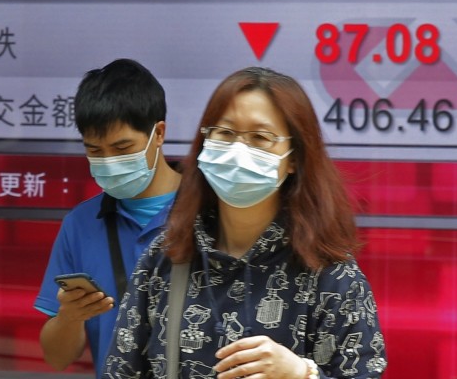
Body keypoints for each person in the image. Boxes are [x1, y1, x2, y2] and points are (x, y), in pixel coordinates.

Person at [102, 67, 387, 379]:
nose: (239, 150)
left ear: (293, 158)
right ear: (204, 143)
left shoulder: (331, 274)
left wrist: (302, 374)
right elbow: (122, 370)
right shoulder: (165, 258)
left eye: (260, 137)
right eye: (225, 134)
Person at [35, 58, 182, 374]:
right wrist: (70, 317)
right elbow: (57, 357)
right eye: (95, 151)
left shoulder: (210, 212)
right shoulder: (81, 224)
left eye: (122, 147)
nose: (109, 162)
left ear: (158, 134)